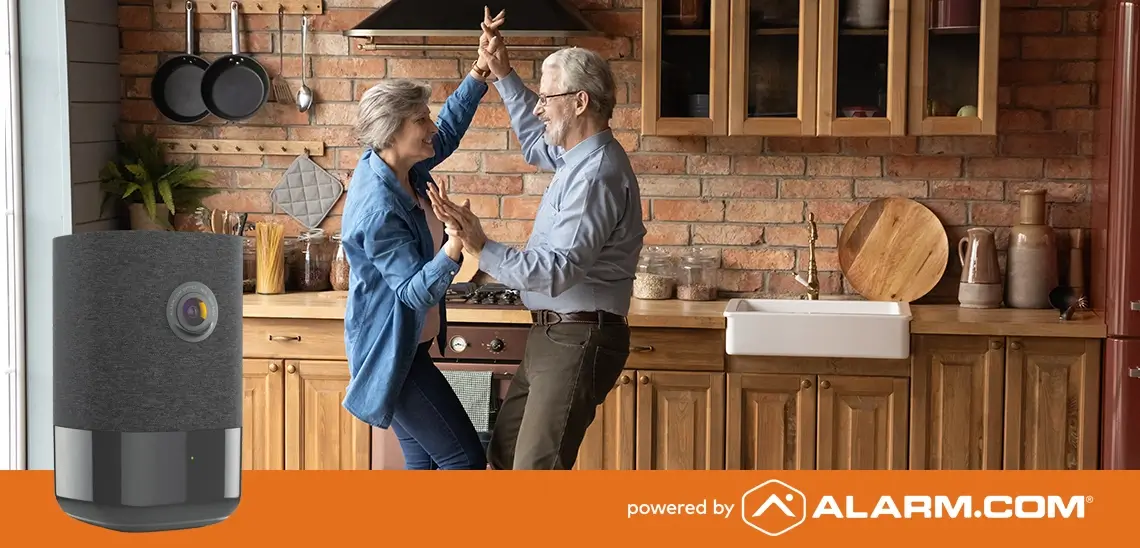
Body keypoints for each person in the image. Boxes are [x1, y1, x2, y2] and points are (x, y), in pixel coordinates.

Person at [429, 19, 646, 470]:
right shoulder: (576, 157)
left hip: (579, 335)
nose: (541, 108)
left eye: (547, 99)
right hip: (553, 333)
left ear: (580, 101)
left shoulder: (596, 175)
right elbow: (534, 139)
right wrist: (503, 73)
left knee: (534, 473)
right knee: (506, 454)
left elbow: (557, 270)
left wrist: (480, 245)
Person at [339, 10, 506, 470]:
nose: (431, 127)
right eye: (420, 120)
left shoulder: (400, 167)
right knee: (464, 459)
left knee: (426, 463)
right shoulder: (379, 207)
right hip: (391, 354)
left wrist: (479, 72)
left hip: (409, 348)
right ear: (393, 131)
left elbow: (446, 133)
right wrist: (456, 244)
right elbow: (411, 293)